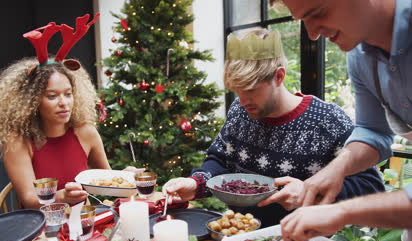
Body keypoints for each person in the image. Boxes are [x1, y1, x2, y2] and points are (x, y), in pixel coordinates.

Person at [163, 28, 384, 227]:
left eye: (250, 90)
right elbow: (220, 159)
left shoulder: (328, 121)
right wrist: (195, 183)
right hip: (240, 239)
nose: (243, 100)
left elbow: (371, 188)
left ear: (279, 76)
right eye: (237, 92)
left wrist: (310, 193)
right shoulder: (240, 111)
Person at [272, 0, 412, 241]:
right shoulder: (359, 57)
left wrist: (342, 212)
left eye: (317, 13)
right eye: (302, 19)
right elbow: (373, 131)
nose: (312, 33)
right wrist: (336, 169)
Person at [0, 14, 142, 209]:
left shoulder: (86, 132)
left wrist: (124, 176)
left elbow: (105, 183)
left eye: (68, 94)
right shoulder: (18, 142)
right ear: (32, 102)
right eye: (52, 96)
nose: (64, 103)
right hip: (42, 228)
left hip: (84, 221)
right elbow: (29, 199)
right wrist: (63, 196)